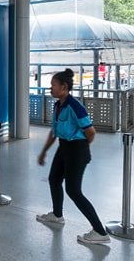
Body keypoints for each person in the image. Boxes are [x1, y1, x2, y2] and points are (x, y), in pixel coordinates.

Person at [36, 68, 110, 245]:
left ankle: (100, 232)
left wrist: (80, 151)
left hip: (76, 149)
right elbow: (54, 132)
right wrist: (44, 151)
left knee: (73, 191)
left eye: (53, 85)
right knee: (54, 179)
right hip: (63, 147)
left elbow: (91, 132)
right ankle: (57, 215)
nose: (50, 88)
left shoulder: (75, 106)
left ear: (64, 87)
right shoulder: (58, 105)